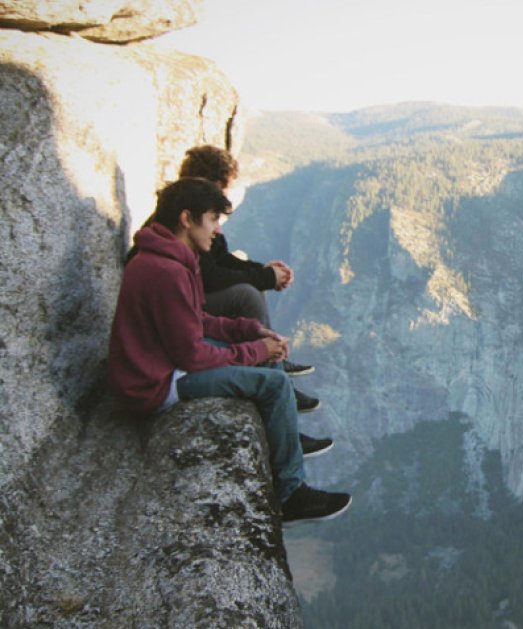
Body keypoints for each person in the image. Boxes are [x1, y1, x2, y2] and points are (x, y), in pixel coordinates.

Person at [108, 177, 349, 524]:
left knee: (267, 360)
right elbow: (191, 355)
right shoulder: (164, 270)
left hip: (162, 363)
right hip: (153, 384)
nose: (218, 230)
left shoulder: (171, 257)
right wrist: (253, 351)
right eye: (212, 220)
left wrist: (248, 331)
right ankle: (291, 495)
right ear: (187, 219)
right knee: (275, 384)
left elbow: (195, 320)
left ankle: (284, 438)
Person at [177, 145, 320, 413]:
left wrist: (264, 272)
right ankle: (272, 374)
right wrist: (264, 277)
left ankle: (273, 363)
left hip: (194, 296)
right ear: (211, 183)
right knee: (247, 294)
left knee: (253, 287)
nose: (226, 195)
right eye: (224, 188)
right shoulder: (192, 214)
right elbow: (211, 275)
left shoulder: (195, 209)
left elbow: (220, 259)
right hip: (189, 300)